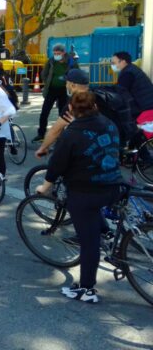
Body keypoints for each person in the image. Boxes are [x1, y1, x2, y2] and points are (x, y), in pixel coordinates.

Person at [36, 91, 122, 303]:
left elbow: (57, 164)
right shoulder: (109, 123)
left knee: (89, 242)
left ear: (72, 110)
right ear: (95, 107)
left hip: (86, 192)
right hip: (114, 184)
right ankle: (107, 232)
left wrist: (45, 186)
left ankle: (87, 289)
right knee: (96, 216)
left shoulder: (72, 133)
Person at [34, 69, 90, 158]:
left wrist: (43, 148)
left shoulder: (74, 103)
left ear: (73, 85)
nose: (66, 85)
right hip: (106, 145)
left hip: (86, 149)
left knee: (57, 166)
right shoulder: (97, 96)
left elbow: (55, 131)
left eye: (66, 82)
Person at [34, 44, 79, 142]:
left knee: (62, 113)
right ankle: (41, 134)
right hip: (52, 89)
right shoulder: (51, 61)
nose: (56, 55)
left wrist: (69, 82)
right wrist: (48, 82)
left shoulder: (71, 61)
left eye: (58, 53)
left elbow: (77, 73)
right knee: (44, 112)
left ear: (63, 53)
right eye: (54, 53)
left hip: (64, 90)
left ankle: (61, 135)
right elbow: (44, 74)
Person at [113, 50, 153, 120]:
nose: (112, 65)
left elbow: (120, 91)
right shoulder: (131, 69)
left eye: (114, 63)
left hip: (144, 108)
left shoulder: (128, 73)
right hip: (147, 104)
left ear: (123, 61)